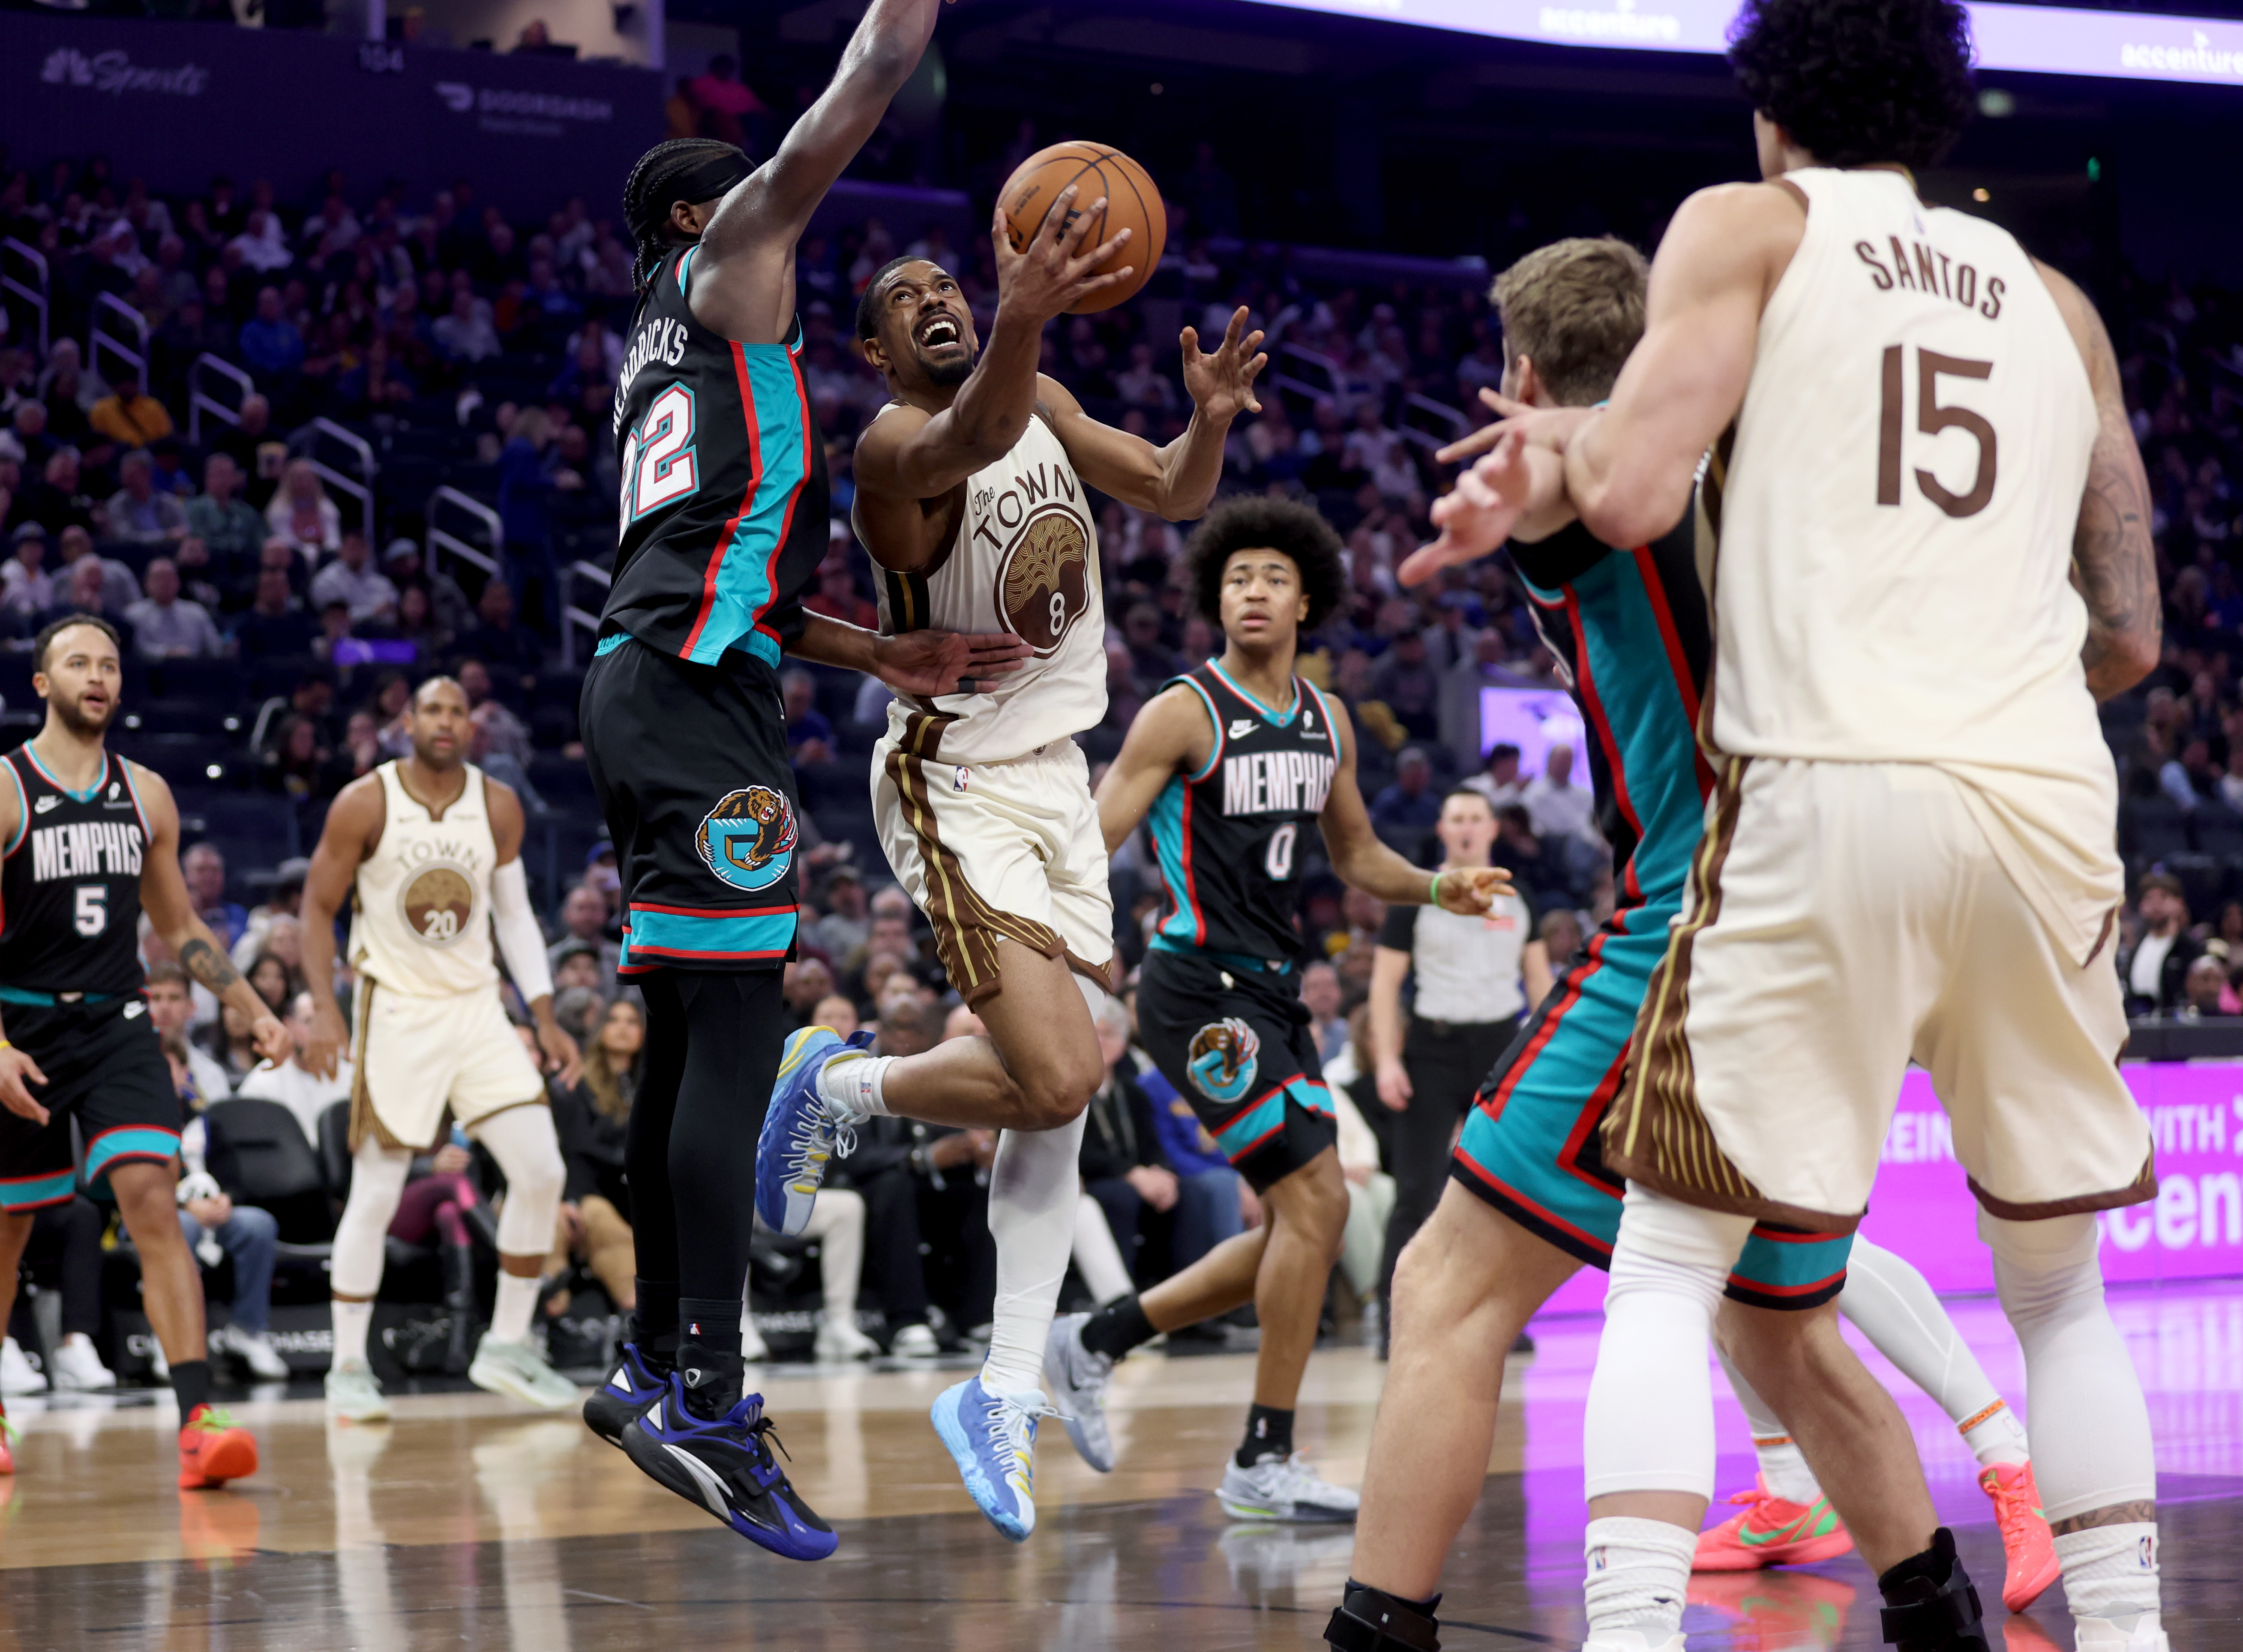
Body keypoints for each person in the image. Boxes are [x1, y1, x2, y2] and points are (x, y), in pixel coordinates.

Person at [1337, 19, 2165, 1627]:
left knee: (1539, 1277)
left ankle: (1459, 1625)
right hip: (2038, 808)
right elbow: (2125, 636)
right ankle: (1987, 1608)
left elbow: (1624, 483)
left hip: (1747, 881)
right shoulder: (2045, 313)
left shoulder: (1732, 279)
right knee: (1864, 1316)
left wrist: (1545, 462)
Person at [755, 185, 1264, 1544]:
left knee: (1050, 1106)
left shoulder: (1033, 397)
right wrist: (1022, 319)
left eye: (948, 287)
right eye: (904, 302)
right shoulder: (894, 439)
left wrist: (1206, 420)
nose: (936, 301)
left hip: (1054, 779)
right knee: (1059, 1077)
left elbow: (1164, 486)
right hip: (955, 776)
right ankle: (844, 1081)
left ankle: (1002, 1386)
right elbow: (973, 426)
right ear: (874, 352)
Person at [576, 4, 1016, 1561]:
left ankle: (648, 1360)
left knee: (698, 1030)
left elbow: (727, 570)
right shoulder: (726, 262)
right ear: (701, 212)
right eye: (750, 186)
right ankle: (704, 1386)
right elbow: (858, 89)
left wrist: (873, 656)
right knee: (738, 1036)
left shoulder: (657, 354)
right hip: (689, 704)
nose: (788, 208)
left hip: (660, 683)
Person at [1054, 497, 1511, 1523]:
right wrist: (1051, 925)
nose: (1250, 591)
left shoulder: (1324, 718)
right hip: (1190, 986)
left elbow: (1352, 856)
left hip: (1270, 989)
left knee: (1304, 1224)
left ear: (1305, 596)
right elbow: (1092, 839)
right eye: (1234, 578)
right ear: (1214, 598)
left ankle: (1096, 1336)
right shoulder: (1181, 709)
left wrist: (1442, 885)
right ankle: (1262, 1452)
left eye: (1269, 576)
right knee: (1315, 1202)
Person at [0, 615, 288, 1490]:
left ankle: (198, 1418)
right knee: (8, 1230)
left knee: (153, 1198)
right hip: (22, 1028)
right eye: (78, 662)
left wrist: (251, 1005)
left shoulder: (147, 792)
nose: (98, 675)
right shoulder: (7, 788)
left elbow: (179, 926)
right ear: (43, 683)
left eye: (110, 664)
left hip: (118, 1020)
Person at [296, 676, 583, 1422]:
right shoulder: (365, 800)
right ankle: (348, 1365)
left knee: (541, 1170)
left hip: (478, 1009)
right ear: (408, 721)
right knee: (378, 1190)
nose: (446, 720)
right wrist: (325, 1010)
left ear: (473, 726)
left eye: (458, 710)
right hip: (395, 1009)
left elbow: (517, 919)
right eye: (433, 708)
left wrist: (544, 1015)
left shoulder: (497, 804)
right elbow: (316, 910)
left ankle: (507, 1345)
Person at [1366, 787, 1532, 1322]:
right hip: (1432, 1049)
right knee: (1415, 1186)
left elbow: (1543, 986)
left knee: (1504, 1187)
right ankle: (1391, 1312)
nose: (1465, 827)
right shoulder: (1414, 896)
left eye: (1475, 818)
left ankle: (1500, 1313)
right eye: (1455, 817)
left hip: (1501, 1048)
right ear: (1441, 829)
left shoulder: (1518, 895)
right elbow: (1384, 985)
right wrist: (1387, 1059)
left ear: (1491, 829)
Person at [2118, 872, 2198, 1017]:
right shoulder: (2136, 948)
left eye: (2163, 897)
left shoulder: (2190, 948)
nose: (2156, 904)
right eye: (2149, 898)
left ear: (2179, 903)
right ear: (2141, 906)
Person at [123, 557, 225, 659]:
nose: (164, 583)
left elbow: (215, 648)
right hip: (152, 671)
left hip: (194, 669)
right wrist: (166, 653)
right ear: (147, 583)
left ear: (178, 582)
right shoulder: (133, 614)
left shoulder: (196, 612)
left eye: (169, 578)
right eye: (159, 578)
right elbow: (135, 648)